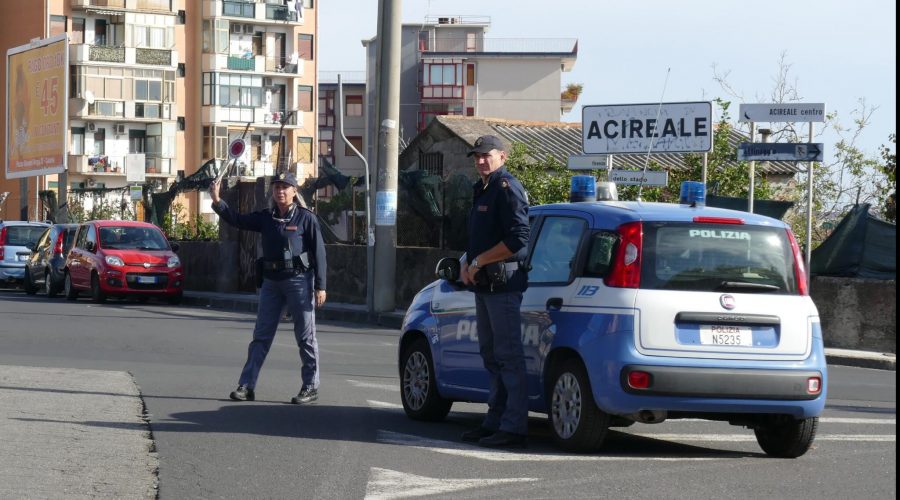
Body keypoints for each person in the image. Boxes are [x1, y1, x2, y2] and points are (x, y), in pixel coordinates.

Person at [209, 172, 327, 405]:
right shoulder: (266, 217)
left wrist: (321, 286)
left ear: (294, 191)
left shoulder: (306, 218)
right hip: (271, 283)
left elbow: (320, 252)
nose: (280, 191)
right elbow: (237, 220)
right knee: (261, 337)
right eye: (276, 187)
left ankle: (310, 386)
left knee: (305, 337)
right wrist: (217, 200)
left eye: (285, 187)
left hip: (299, 281)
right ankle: (246, 386)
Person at [459, 135, 530, 448]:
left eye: (486, 155)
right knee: (491, 355)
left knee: (508, 356)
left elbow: (519, 238)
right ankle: (495, 421)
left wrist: (479, 261)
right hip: (485, 284)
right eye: (476, 156)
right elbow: (482, 235)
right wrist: (467, 261)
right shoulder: (483, 188)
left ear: (502, 156)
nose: (480, 161)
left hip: (504, 285)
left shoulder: (506, 187)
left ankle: (514, 427)